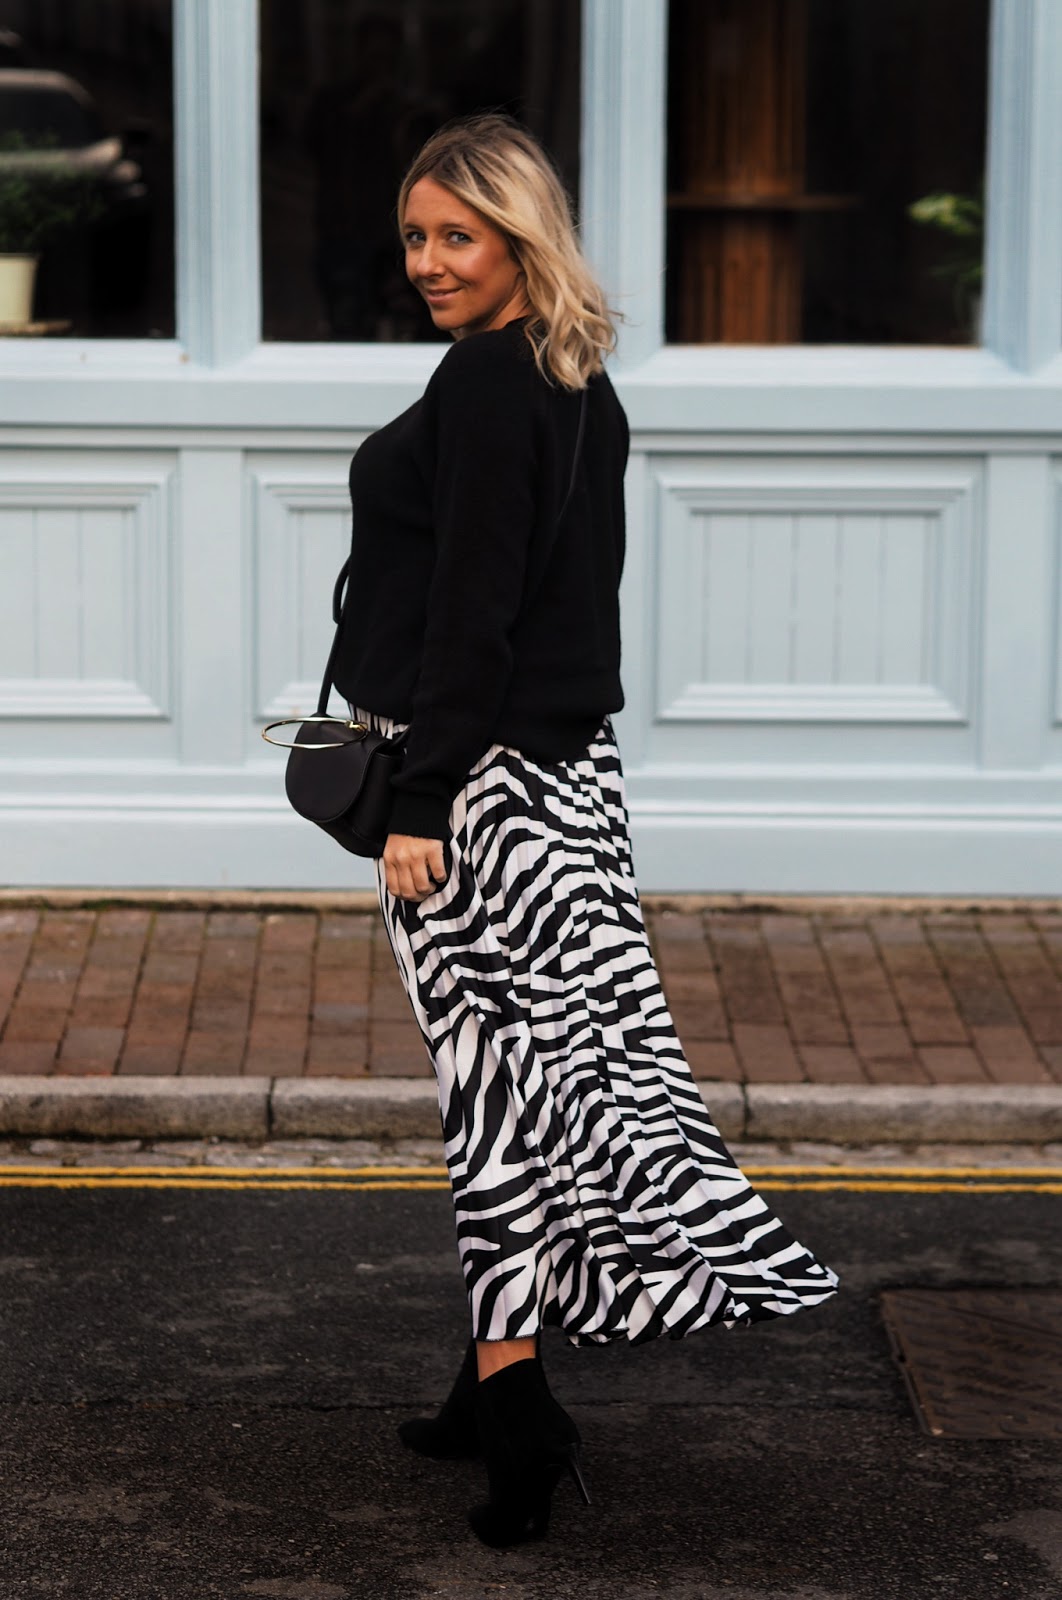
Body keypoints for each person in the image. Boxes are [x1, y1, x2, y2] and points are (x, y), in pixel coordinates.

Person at [330, 111, 839, 1549]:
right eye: (416, 235)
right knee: (545, 1090)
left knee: (496, 1105)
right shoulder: (568, 374)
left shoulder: (492, 385)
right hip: (562, 785)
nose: (429, 261)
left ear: (520, 239)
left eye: (460, 236)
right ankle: (490, 1371)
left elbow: (475, 614)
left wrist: (420, 797)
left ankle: (519, 1413)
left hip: (485, 798)